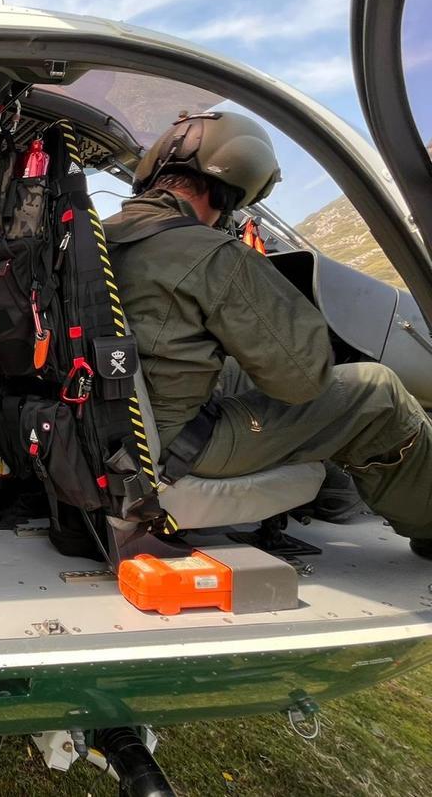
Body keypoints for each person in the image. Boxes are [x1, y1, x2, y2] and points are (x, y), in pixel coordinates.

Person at [102, 111, 432, 555]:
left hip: (117, 428)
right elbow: (301, 379)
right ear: (238, 184)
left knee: (240, 368)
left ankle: (336, 492)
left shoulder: (104, 237)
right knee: (375, 391)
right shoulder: (211, 253)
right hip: (178, 445)